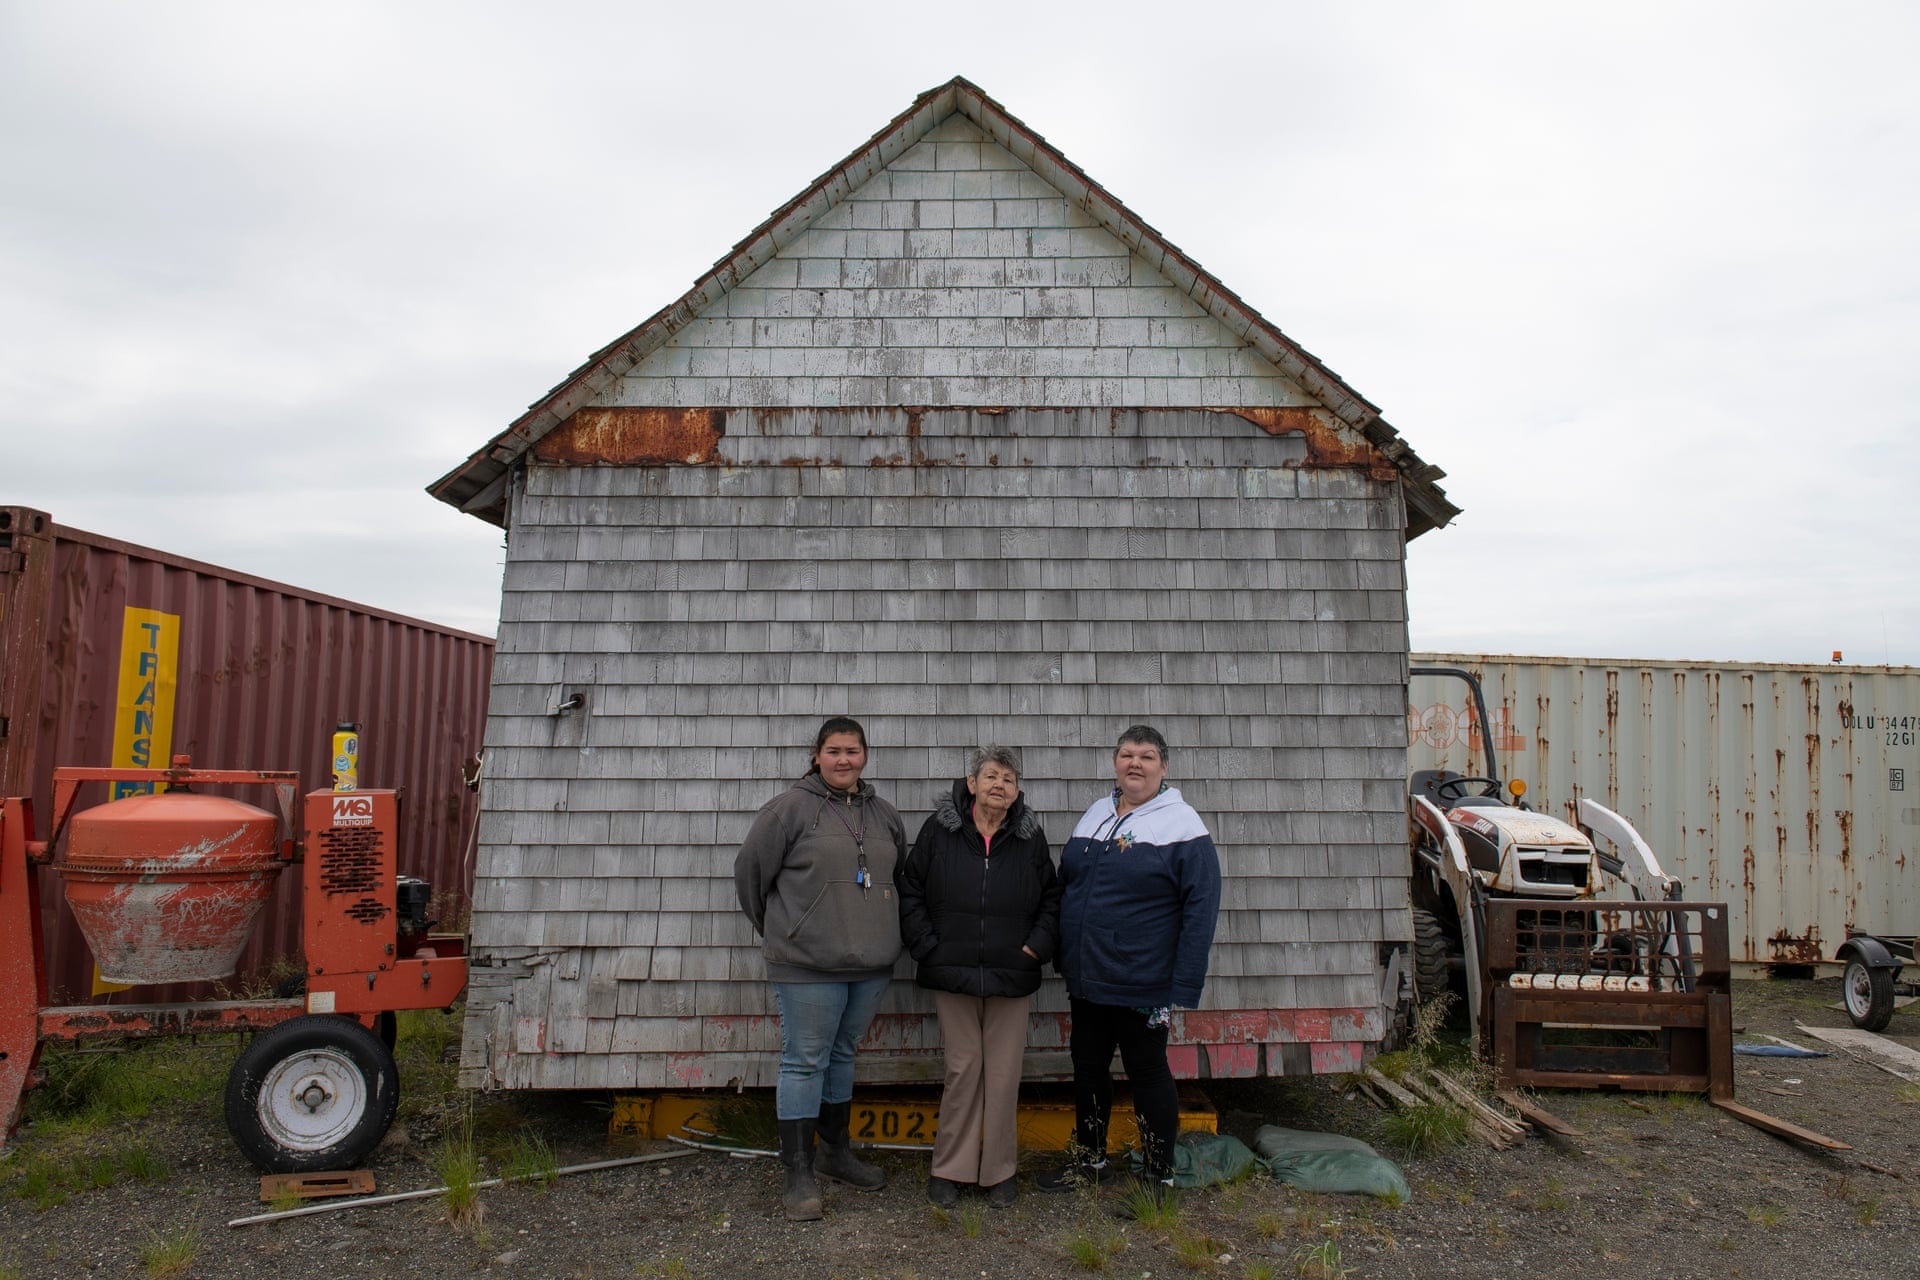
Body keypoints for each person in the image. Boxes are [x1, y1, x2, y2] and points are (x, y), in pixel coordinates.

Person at [1037, 724, 1222, 1199]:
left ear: (1164, 767)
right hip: (1088, 974)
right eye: (1126, 755)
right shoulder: (1097, 813)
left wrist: (1184, 982)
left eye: (1146, 757)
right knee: (1089, 1067)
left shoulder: (1182, 824)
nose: (1134, 763)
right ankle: (1091, 1160)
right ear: (1115, 762)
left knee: (1148, 1072)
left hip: (1144, 979)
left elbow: (1201, 906)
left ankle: (1158, 1174)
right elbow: (1068, 881)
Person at [735, 716, 908, 1222]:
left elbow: (897, 878)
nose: (843, 760)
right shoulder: (788, 809)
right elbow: (750, 876)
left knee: (841, 1055)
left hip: (871, 966)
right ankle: (798, 1171)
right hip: (806, 966)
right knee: (805, 1060)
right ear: (816, 755)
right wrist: (788, 931)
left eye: (852, 751)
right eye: (833, 750)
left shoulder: (885, 815)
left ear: (865, 756)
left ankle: (835, 1154)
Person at [898, 746, 1060, 1210]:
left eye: (1008, 780)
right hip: (953, 973)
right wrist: (928, 946)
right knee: (963, 1069)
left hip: (1013, 973)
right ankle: (950, 1169)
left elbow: (1052, 897)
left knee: (1005, 1075)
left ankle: (999, 1172)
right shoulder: (941, 831)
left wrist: (1037, 947)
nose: (998, 786)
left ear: (1017, 792)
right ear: (971, 783)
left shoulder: (1029, 838)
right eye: (991, 776)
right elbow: (911, 890)